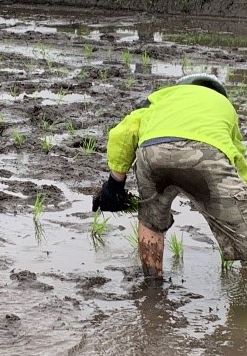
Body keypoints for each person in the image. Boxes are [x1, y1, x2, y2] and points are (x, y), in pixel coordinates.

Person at [93, 74, 247, 282]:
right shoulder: (223, 105)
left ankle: (152, 285)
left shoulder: (161, 100)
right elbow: (237, 156)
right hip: (205, 153)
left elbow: (124, 133)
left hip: (152, 151)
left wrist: (115, 183)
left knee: (151, 220)